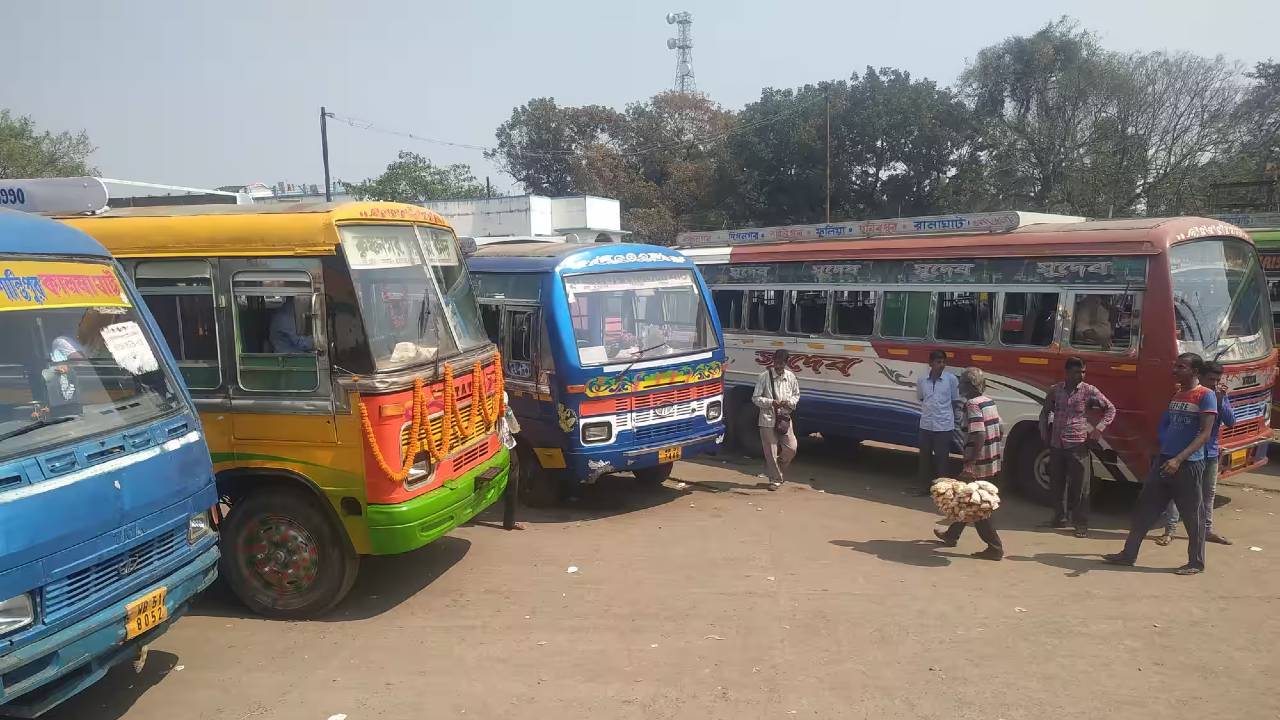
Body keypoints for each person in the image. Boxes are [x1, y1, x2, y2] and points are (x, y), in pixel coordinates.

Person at [1104, 353, 1216, 575]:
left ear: (1194, 371)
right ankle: (1128, 555)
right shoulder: (1177, 394)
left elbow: (1204, 434)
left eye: (1181, 367)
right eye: (1175, 365)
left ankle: (1195, 562)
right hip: (1165, 462)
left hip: (1188, 465)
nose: (1175, 370)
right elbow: (1170, 427)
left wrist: (1178, 459)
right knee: (1144, 509)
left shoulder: (1206, 395)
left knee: (1193, 517)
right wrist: (1160, 452)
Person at [1155, 361, 1235, 546]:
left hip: (1210, 453)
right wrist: (1167, 444)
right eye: (1210, 379)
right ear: (1200, 377)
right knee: (1178, 493)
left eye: (1217, 379)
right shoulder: (1186, 395)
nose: (1214, 383)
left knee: (1208, 493)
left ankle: (1206, 530)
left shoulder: (1217, 396)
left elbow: (1231, 421)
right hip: (1187, 455)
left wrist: (1222, 400)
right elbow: (1166, 422)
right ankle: (1169, 531)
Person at [1039, 357, 1116, 538]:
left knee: (1081, 487)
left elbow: (1111, 409)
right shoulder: (1056, 391)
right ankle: (1059, 518)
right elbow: (1045, 412)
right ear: (1066, 373)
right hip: (1057, 444)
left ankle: (1080, 524)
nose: (1081, 375)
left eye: (1083, 372)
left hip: (1078, 444)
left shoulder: (1089, 391)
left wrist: (1099, 430)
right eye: (1076, 372)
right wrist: (1043, 432)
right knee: (1057, 484)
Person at [933, 367, 1005, 560]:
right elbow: (1001, 427)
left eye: (962, 383)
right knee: (964, 499)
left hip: (979, 463)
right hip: (992, 461)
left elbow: (979, 433)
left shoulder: (972, 404)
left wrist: (970, 463)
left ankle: (994, 547)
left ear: (969, 385)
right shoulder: (988, 401)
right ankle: (952, 534)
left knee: (978, 507)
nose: (959, 387)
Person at [752, 348, 799, 491]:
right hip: (767, 418)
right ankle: (775, 479)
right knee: (770, 451)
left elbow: (796, 395)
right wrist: (771, 402)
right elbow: (755, 398)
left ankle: (775, 467)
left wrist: (788, 402)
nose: (778, 366)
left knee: (791, 448)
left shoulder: (791, 377)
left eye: (781, 363)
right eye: (776, 362)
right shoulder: (764, 377)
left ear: (786, 363)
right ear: (773, 362)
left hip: (784, 418)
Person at [915, 350, 961, 495]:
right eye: (938, 362)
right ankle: (923, 489)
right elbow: (922, 398)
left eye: (943, 362)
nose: (941, 365)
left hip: (944, 426)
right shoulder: (922, 380)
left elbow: (955, 401)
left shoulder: (951, 379)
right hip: (926, 425)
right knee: (924, 459)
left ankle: (943, 493)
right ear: (930, 363)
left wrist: (949, 418)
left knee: (942, 460)